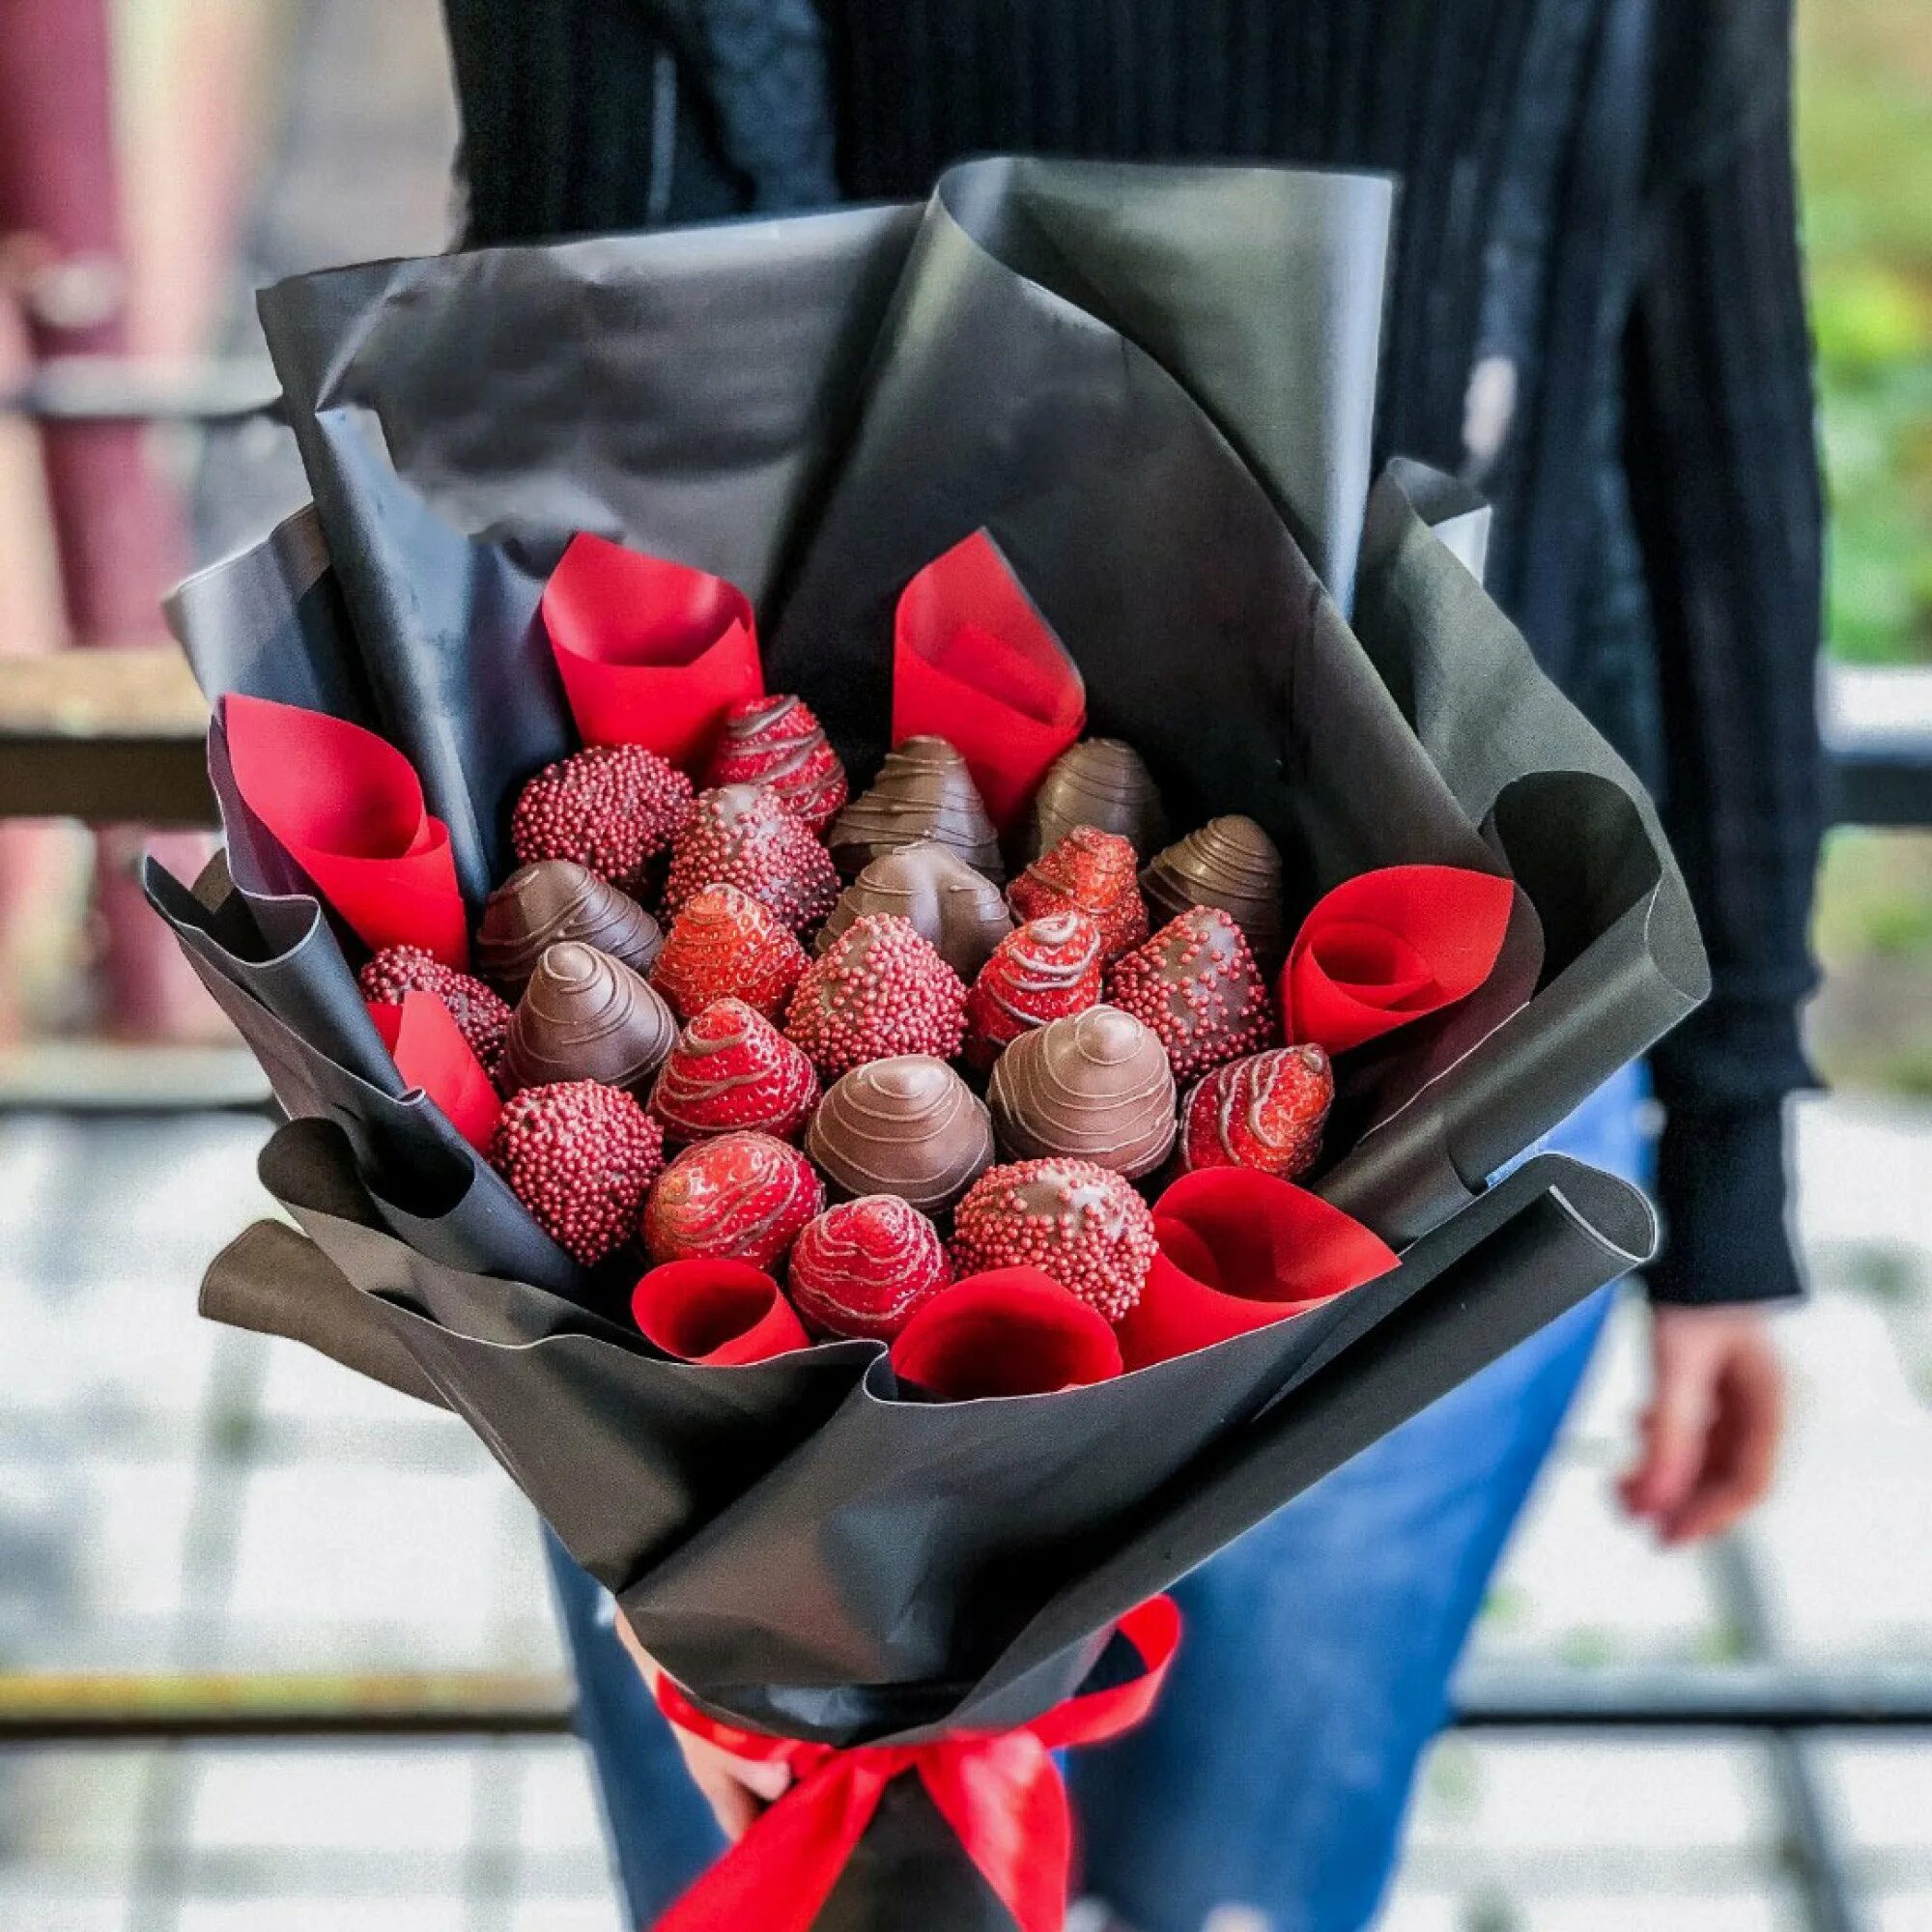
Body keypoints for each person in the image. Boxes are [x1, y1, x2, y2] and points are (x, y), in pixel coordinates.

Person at [443, 2, 1820, 1925]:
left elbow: (1709, 436)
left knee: (1249, 1875)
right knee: (803, 1862)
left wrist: (1736, 1154)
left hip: (1461, 1043)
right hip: (777, 1022)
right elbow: (556, 364)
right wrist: (593, 1405)